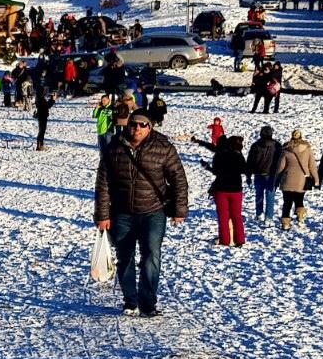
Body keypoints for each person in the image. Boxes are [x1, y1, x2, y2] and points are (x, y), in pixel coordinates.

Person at [94, 111, 189, 317]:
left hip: (153, 212)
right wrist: (102, 215)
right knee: (124, 258)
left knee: (151, 257)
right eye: (133, 124)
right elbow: (103, 183)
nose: (136, 128)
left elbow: (178, 179)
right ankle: (130, 300)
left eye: (142, 125)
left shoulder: (164, 148)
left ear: (150, 127)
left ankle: (148, 303)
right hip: (122, 213)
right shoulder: (114, 148)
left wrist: (179, 210)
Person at [204, 134, 248, 247]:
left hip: (221, 189)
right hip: (236, 189)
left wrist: (207, 167)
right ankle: (240, 240)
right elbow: (244, 169)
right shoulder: (237, 155)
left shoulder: (218, 155)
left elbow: (216, 171)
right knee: (237, 216)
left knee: (223, 217)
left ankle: (225, 240)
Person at [277, 129, 316, 230]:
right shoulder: (307, 148)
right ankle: (300, 216)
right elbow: (312, 165)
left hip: (288, 179)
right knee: (299, 200)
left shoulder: (286, 149)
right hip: (302, 179)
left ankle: (286, 223)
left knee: (287, 203)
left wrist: (277, 177)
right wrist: (316, 179)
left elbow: (281, 166)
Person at [246, 125, 283, 224]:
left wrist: (248, 175)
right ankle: (269, 217)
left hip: (258, 174)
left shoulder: (256, 145)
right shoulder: (277, 146)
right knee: (270, 196)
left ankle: (259, 214)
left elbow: (250, 161)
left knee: (259, 195)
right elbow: (280, 161)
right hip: (272, 174)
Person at [34, 85, 55, 151]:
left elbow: (46, 105)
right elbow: (47, 106)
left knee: (41, 131)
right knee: (41, 131)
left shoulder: (39, 98)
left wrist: (51, 99)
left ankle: (40, 145)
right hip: (42, 116)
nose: (45, 92)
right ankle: (40, 146)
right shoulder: (41, 99)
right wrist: (52, 100)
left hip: (42, 116)